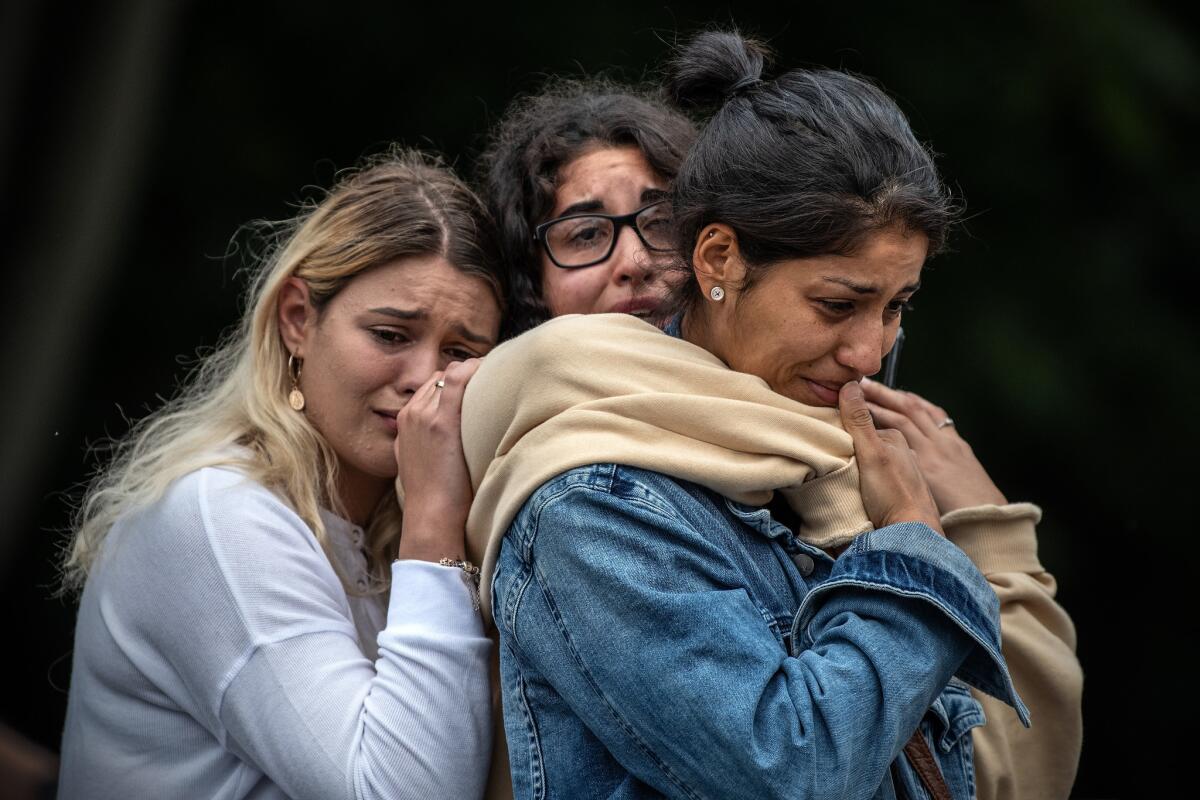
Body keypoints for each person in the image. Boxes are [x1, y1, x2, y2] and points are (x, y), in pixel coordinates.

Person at [463, 31, 1081, 799]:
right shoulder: (590, 498)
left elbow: (992, 772)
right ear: (718, 260)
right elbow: (791, 770)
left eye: (896, 306)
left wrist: (983, 532)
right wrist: (916, 552)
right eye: (838, 304)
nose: (867, 349)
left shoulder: (827, 458)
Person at [58, 150, 504, 799]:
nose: (422, 379)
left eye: (461, 353)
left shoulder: (380, 532)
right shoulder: (217, 513)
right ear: (298, 319)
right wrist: (435, 518)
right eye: (389, 334)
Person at [477, 78, 696, 337]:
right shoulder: (495, 376)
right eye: (588, 234)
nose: (635, 263)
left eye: (662, 223)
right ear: (533, 279)